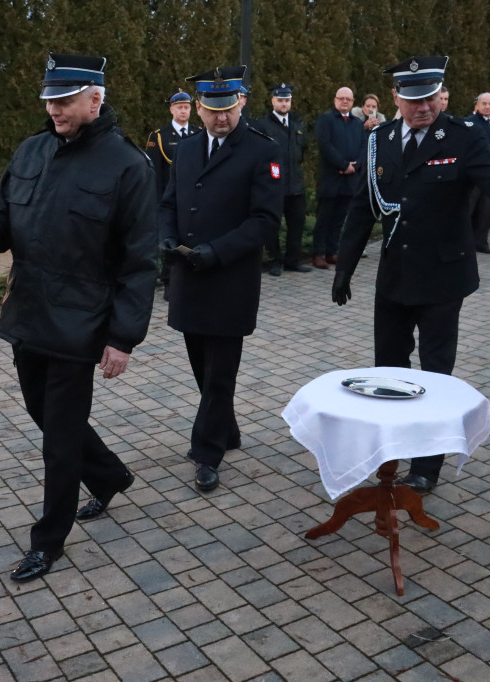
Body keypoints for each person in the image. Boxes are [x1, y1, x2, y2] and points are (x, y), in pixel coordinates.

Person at [0, 53, 157, 582]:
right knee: (45, 413)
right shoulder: (32, 150)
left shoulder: (128, 166)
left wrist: (123, 337)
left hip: (81, 324)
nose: (53, 109)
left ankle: (49, 540)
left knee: (58, 437)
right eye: (49, 100)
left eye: (63, 100)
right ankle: (108, 476)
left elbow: (140, 260)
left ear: (95, 98)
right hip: (28, 313)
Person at [331, 56, 490, 493]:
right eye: (414, 100)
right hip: (394, 276)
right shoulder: (381, 139)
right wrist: (345, 268)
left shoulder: (462, 138)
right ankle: (391, 452)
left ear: (441, 95)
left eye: (431, 98)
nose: (425, 108)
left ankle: (426, 465)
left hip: (442, 278)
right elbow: (362, 209)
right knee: (389, 372)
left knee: (434, 376)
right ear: (397, 97)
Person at [159, 64, 282, 492]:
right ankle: (227, 431)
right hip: (190, 276)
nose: (221, 118)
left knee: (219, 373)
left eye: (228, 108)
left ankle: (207, 452)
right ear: (198, 108)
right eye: (212, 110)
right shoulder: (188, 149)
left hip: (231, 278)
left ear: (241, 102)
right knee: (200, 365)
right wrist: (166, 236)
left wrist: (218, 252)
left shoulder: (261, 149)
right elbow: (169, 202)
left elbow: (265, 221)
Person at [255, 83, 311, 275]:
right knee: (272, 225)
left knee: (297, 224)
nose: (284, 104)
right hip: (274, 185)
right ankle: (274, 261)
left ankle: (292, 261)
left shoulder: (297, 125)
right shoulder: (263, 125)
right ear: (273, 101)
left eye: (287, 100)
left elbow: (301, 152)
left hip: (295, 185)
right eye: (280, 100)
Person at [312, 86, 363, 270]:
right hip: (331, 178)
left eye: (348, 99)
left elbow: (363, 147)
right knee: (324, 219)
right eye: (341, 98)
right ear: (335, 100)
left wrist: (354, 166)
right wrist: (343, 165)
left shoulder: (357, 123)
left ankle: (332, 252)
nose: (344, 101)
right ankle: (318, 253)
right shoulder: (325, 120)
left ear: (352, 102)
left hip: (350, 180)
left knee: (339, 219)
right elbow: (325, 146)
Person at [465, 92, 490, 254]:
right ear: (478, 105)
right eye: (484, 104)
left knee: (487, 211)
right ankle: (464, 242)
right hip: (472, 174)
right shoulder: (469, 122)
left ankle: (481, 242)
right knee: (467, 209)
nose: (488, 107)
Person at [146, 89, 197, 201]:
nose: (183, 111)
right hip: (169, 197)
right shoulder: (159, 136)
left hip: (194, 197)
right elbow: (154, 174)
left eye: (186, 107)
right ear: (171, 109)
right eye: (179, 107)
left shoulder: (199, 133)